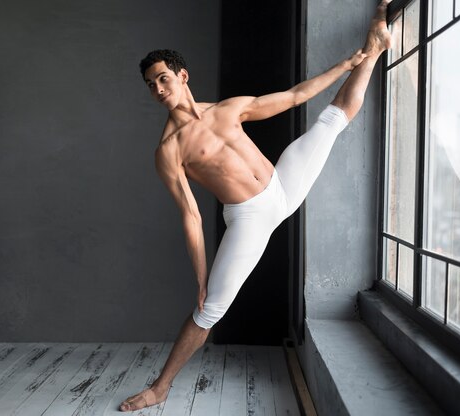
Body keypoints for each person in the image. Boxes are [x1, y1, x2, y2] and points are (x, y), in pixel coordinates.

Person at [120, 1, 391, 411]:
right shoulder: (168, 151)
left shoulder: (229, 109)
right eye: (150, 85)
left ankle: (374, 48)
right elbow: (191, 216)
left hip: (281, 185)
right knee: (208, 310)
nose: (158, 90)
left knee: (332, 121)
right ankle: (160, 387)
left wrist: (348, 62)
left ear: (182, 76)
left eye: (162, 79)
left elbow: (296, 95)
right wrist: (200, 276)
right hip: (249, 218)